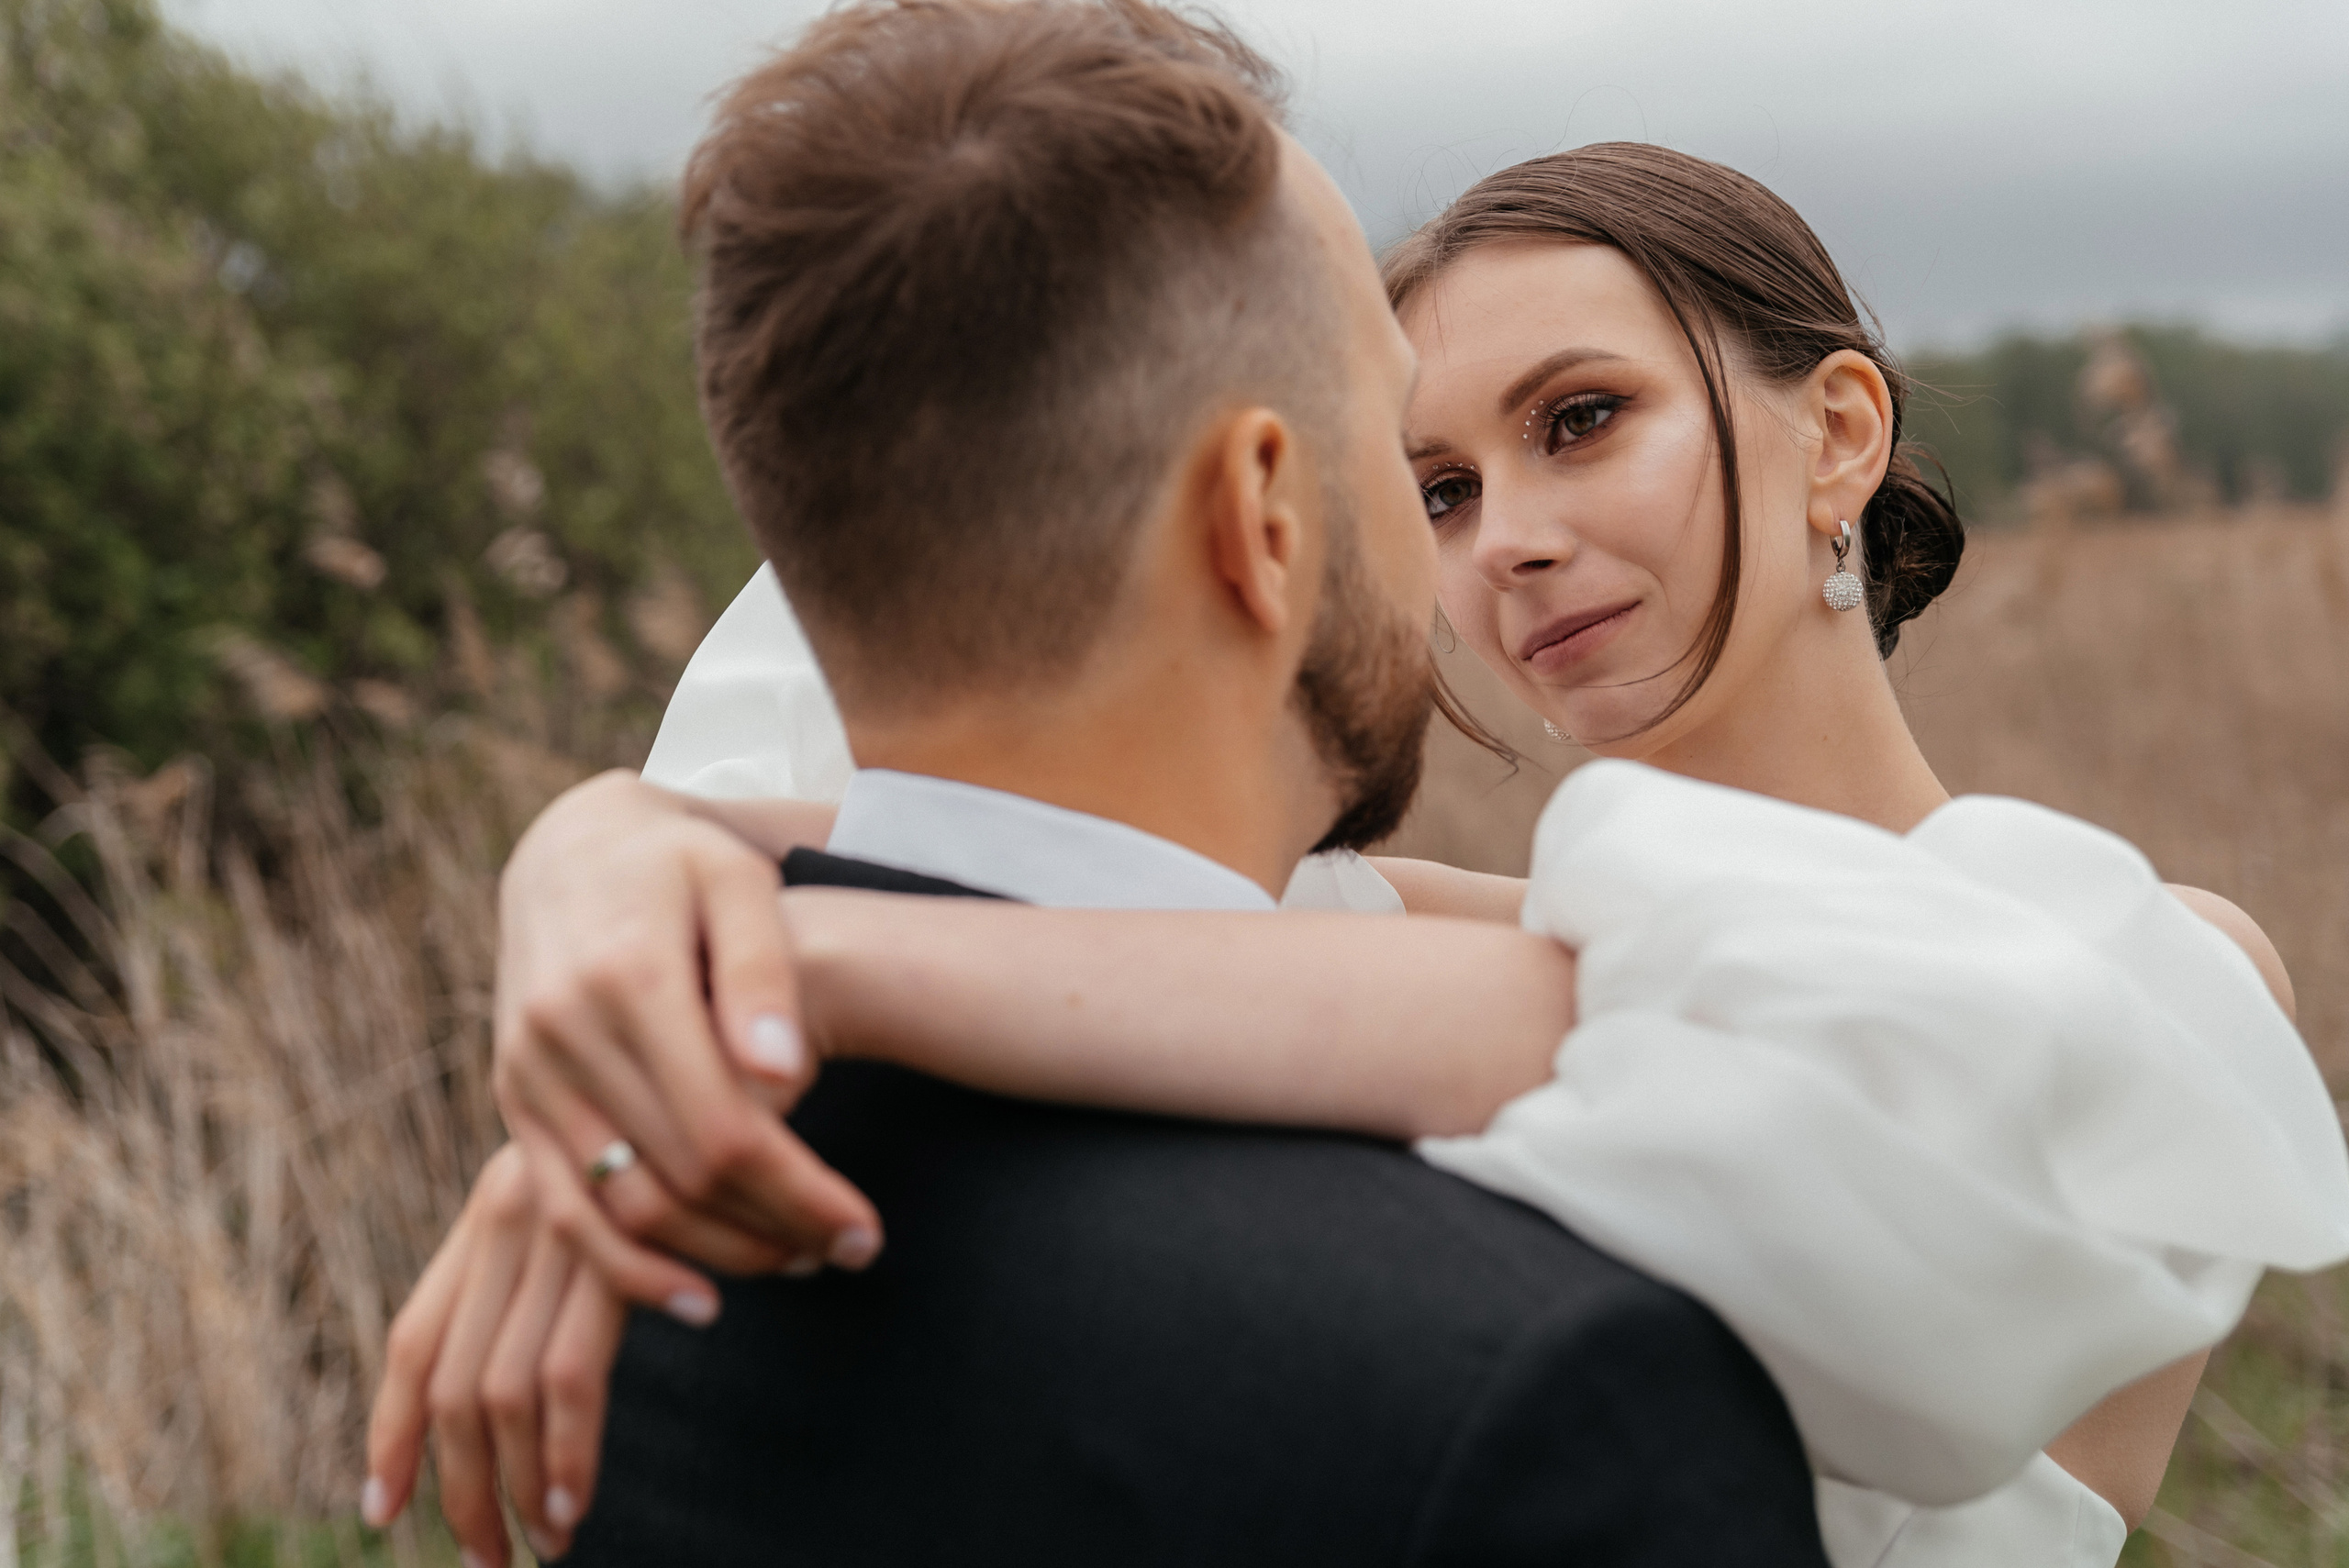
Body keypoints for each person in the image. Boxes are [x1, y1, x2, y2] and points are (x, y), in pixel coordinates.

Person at [363, 6, 2349, 1567]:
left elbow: (1694, 1011)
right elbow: (1003, 864)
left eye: (1585, 419)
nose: (1509, 542)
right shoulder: (1382, 939)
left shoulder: (2138, 969)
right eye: (1436, 486)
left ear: (1837, 430)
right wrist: (604, 869)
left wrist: (804, 972)